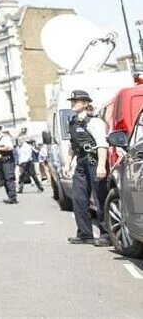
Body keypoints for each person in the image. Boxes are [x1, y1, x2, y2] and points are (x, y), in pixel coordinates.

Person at [63, 90, 111, 246]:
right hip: (81, 162)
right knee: (79, 199)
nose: (73, 103)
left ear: (85, 104)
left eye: (76, 101)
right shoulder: (73, 122)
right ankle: (85, 234)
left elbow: (102, 145)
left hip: (94, 161)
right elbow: (73, 146)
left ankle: (106, 235)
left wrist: (101, 165)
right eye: (72, 101)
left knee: (100, 198)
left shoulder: (94, 122)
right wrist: (68, 163)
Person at [0, 127, 18, 204]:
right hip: (2, 161)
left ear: (0, 131)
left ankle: (13, 197)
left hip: (8, 161)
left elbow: (10, 147)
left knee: (9, 179)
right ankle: (10, 196)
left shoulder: (5, 138)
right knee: (5, 180)